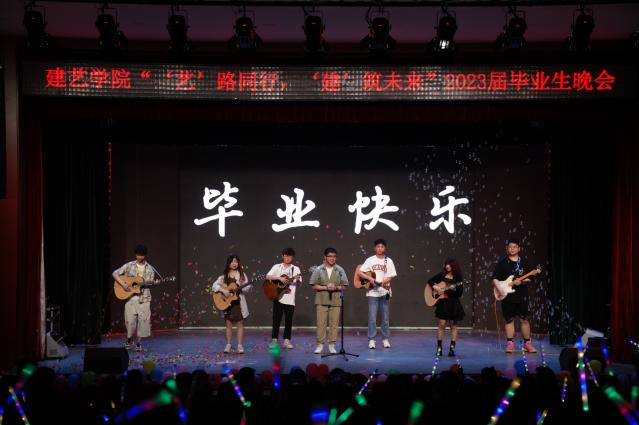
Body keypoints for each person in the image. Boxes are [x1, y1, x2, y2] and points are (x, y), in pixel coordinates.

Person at [492, 239, 538, 353]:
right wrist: (499, 289)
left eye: (514, 247)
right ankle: (510, 344)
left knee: (524, 319)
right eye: (510, 247)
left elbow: (531, 278)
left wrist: (521, 281)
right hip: (507, 295)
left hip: (522, 295)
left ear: (519, 248)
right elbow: (495, 278)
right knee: (509, 320)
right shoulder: (502, 263)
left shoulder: (524, 263)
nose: (512, 249)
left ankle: (527, 343)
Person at [112, 244, 156, 352]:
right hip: (131, 297)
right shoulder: (129, 265)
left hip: (144, 298)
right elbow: (115, 273)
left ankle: (138, 343)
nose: (139, 257)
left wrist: (153, 283)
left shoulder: (150, 269)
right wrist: (123, 284)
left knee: (143, 322)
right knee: (130, 322)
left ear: (145, 255)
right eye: (137, 255)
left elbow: (150, 283)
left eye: (141, 255)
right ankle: (128, 340)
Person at [357, 238, 397, 349]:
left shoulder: (389, 261)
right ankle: (371, 339)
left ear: (385, 248)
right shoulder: (370, 260)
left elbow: (390, 277)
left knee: (385, 318)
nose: (380, 248)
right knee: (372, 318)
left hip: (384, 292)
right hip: (372, 293)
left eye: (382, 246)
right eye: (378, 246)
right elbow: (360, 272)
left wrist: (381, 282)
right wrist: (370, 279)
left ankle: (385, 339)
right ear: (375, 248)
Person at [309, 247, 349, 355]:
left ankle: (332, 345)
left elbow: (345, 285)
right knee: (321, 324)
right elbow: (313, 285)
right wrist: (326, 287)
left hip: (336, 301)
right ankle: (320, 345)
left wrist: (336, 287)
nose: (332, 258)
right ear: (325, 257)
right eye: (330, 256)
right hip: (322, 300)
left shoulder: (340, 270)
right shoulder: (319, 269)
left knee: (334, 324)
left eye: (334, 256)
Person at [212, 254, 251, 354]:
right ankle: (228, 345)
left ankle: (239, 345)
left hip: (238, 303)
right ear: (228, 263)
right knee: (228, 324)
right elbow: (214, 286)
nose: (234, 263)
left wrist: (244, 287)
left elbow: (247, 289)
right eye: (232, 261)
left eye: (236, 261)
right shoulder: (224, 276)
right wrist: (223, 291)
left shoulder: (242, 275)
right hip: (228, 304)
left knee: (240, 323)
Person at [265, 248, 302, 350]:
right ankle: (274, 340)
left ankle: (287, 340)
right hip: (278, 296)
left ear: (292, 257)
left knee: (288, 321)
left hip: (290, 299)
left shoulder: (296, 269)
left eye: (290, 256)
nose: (287, 258)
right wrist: (279, 278)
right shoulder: (277, 267)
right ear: (282, 256)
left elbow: (299, 284)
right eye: (286, 255)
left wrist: (297, 280)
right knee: (276, 320)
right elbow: (267, 276)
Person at [427, 258, 465, 356]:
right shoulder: (442, 275)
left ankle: (452, 348)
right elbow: (430, 281)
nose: (447, 266)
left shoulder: (458, 278)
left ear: (454, 266)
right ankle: (439, 348)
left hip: (453, 303)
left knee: (453, 325)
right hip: (443, 302)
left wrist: (451, 289)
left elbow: (459, 293)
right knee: (442, 324)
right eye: (446, 264)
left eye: (449, 264)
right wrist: (436, 287)